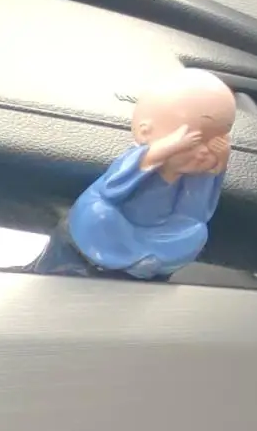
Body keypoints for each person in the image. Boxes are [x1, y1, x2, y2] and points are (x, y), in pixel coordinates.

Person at [69, 69, 235, 278]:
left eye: (215, 143)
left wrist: (217, 164)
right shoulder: (139, 160)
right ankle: (127, 257)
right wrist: (163, 152)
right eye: (194, 141)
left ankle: (148, 258)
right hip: (119, 222)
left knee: (195, 231)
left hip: (157, 230)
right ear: (145, 132)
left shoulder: (191, 177)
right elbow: (111, 190)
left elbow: (192, 213)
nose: (203, 151)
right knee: (100, 216)